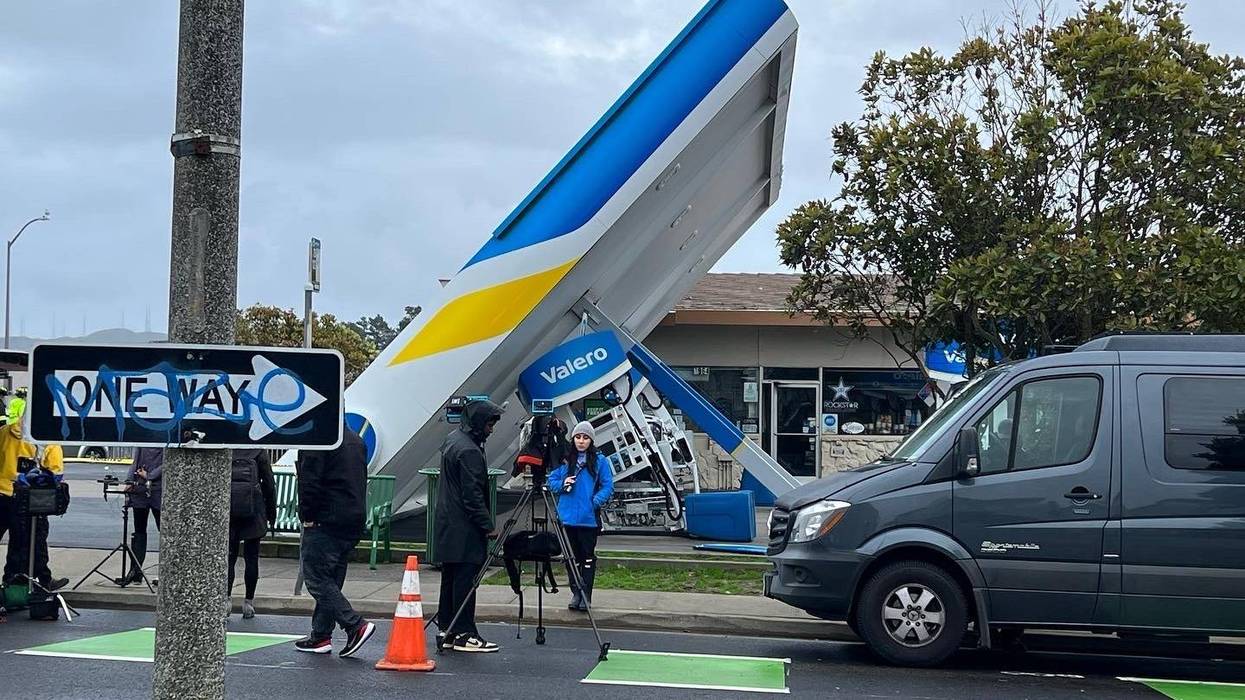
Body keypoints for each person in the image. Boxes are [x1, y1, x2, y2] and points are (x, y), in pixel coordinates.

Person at [293, 424, 376, 657]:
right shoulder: (356, 441)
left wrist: (307, 515)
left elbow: (309, 482)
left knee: (317, 579)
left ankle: (355, 625)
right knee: (331, 581)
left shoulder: (319, 439)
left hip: (325, 518)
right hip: (352, 518)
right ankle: (320, 635)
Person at [434, 398, 504, 653]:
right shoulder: (471, 452)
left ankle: (447, 627)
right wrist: (488, 525)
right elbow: (472, 494)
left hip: (448, 523)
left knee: (451, 578)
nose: (491, 429)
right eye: (490, 424)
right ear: (478, 423)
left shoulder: (453, 440)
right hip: (465, 527)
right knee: (466, 579)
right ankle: (464, 632)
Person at [547, 421, 614, 611]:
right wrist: (562, 483)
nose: (581, 441)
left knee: (587, 557)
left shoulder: (600, 461)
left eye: (585, 438)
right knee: (571, 558)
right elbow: (551, 480)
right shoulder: (566, 460)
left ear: (591, 440)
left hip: (588, 519)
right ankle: (576, 592)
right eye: (578, 437)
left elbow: (608, 485)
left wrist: (594, 502)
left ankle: (586, 594)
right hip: (567, 517)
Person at [227, 448, 276, 619]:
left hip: (230, 509)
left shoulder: (228, 448)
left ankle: (226, 599)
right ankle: (248, 602)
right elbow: (269, 483)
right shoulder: (258, 451)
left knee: (229, 558)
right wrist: (271, 513)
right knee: (252, 558)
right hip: (254, 509)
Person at [121, 446, 164, 585]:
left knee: (164, 532)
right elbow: (135, 462)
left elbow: (169, 462)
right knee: (139, 531)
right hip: (140, 489)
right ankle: (135, 571)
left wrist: (150, 475)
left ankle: (165, 572)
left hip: (158, 489)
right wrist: (129, 481)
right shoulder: (143, 441)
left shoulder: (166, 438)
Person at [1, 420, 36, 585]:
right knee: (19, 543)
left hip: (1, 490)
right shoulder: (39, 436)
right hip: (22, 495)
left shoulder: (3, 432)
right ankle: (12, 584)